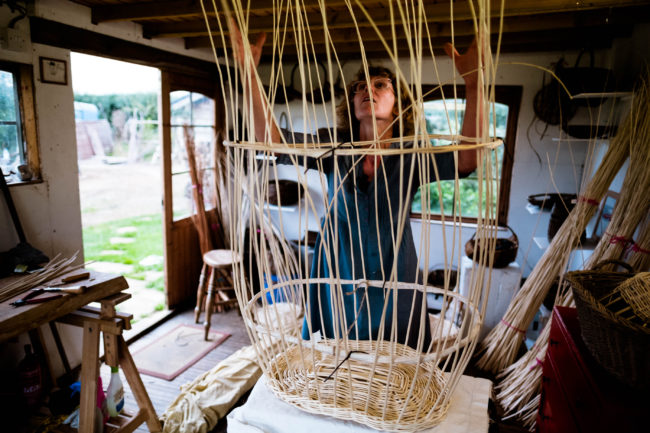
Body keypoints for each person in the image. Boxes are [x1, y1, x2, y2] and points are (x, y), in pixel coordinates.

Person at [230, 21, 482, 351]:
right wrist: (249, 74)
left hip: (394, 267)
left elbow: (466, 160)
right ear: (351, 104)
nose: (368, 90)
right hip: (338, 267)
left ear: (398, 103)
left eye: (380, 85)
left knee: (395, 354)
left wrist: (473, 85)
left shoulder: (411, 153)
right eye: (360, 87)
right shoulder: (334, 147)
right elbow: (273, 142)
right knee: (336, 351)